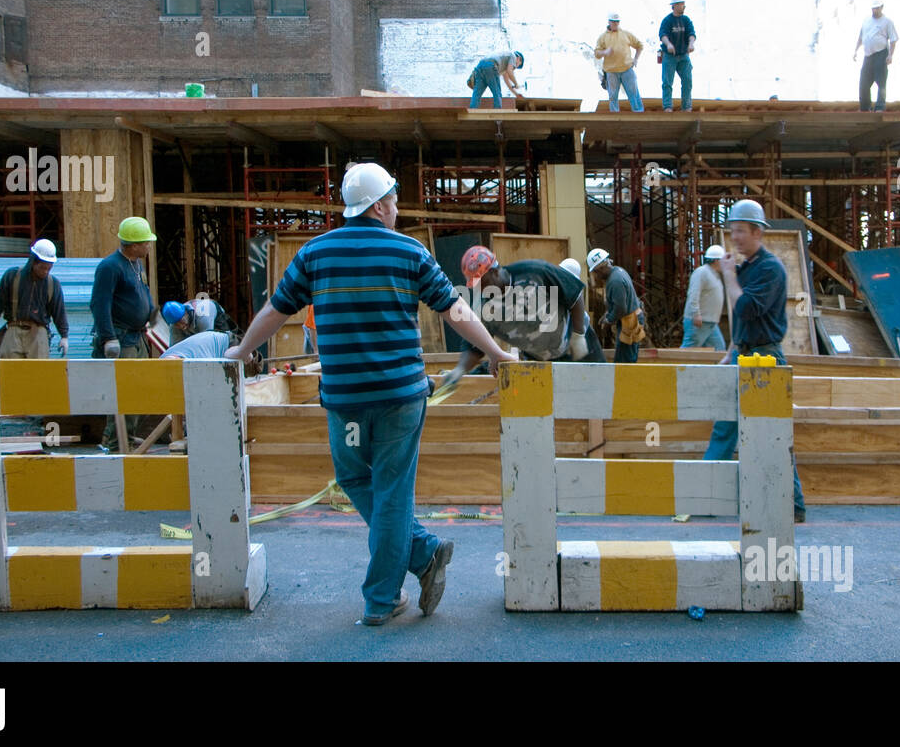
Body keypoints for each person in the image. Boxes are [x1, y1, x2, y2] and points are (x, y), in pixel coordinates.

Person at [225, 163, 517, 625]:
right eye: (395, 201)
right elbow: (455, 310)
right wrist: (497, 353)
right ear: (379, 205)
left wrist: (242, 351)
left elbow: (276, 310)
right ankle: (407, 570)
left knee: (357, 478)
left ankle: (408, 569)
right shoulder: (409, 252)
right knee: (391, 489)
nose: (398, 209)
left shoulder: (314, 254)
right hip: (401, 397)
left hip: (346, 402)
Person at [703, 199, 806, 523]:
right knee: (726, 425)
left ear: (758, 232)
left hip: (765, 359)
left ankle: (794, 504)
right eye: (732, 231)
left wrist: (730, 276)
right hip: (744, 353)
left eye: (740, 232)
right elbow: (741, 320)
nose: (734, 238)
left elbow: (745, 308)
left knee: (770, 432)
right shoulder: (747, 267)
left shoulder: (770, 269)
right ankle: (705, 493)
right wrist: (731, 349)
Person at [445, 247, 603, 383]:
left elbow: (574, 293)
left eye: (482, 282)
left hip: (578, 345)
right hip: (541, 361)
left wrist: (578, 336)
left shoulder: (534, 272)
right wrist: (460, 370)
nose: (480, 289)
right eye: (475, 285)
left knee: (598, 393)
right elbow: (474, 346)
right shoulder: (485, 308)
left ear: (494, 272)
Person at [90, 216, 157, 452]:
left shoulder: (136, 264)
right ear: (133, 244)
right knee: (124, 392)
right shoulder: (110, 267)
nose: (149, 246)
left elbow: (141, 292)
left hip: (137, 337)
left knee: (138, 391)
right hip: (122, 338)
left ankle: (126, 436)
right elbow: (100, 303)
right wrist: (108, 337)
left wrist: (149, 313)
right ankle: (115, 442)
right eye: (145, 242)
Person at [0, 239, 70, 359]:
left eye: (48, 268)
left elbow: (59, 312)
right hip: (13, 329)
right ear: (33, 262)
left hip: (39, 333)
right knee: (9, 371)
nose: (45, 271)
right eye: (42, 267)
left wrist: (64, 336)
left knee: (38, 373)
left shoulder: (52, 284)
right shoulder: (12, 276)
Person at [588, 247, 645, 362]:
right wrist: (607, 313)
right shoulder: (618, 271)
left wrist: (609, 320)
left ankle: (626, 379)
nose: (597, 276)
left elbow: (620, 308)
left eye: (597, 272)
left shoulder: (615, 281)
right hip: (630, 318)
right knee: (627, 356)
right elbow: (617, 303)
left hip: (630, 322)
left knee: (624, 361)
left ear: (602, 268)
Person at [854, 0, 898, 112]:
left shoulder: (887, 22)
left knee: (881, 82)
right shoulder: (866, 21)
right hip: (868, 55)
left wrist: (890, 55)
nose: (875, 10)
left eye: (877, 8)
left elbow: (893, 40)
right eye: (873, 8)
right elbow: (861, 37)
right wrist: (855, 50)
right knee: (864, 82)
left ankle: (880, 106)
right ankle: (865, 106)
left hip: (881, 54)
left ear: (881, 8)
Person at [596, 12, 644, 113]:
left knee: (634, 93)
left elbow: (639, 45)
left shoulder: (626, 34)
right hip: (611, 71)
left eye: (617, 22)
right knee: (613, 96)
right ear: (609, 22)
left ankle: (639, 113)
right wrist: (605, 52)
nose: (615, 24)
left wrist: (635, 59)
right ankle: (614, 117)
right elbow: (597, 53)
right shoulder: (603, 37)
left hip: (627, 69)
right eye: (613, 22)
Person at [683, 244, 726, 350]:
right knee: (689, 351)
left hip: (710, 322)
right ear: (716, 260)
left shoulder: (715, 274)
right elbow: (693, 294)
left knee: (719, 350)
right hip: (700, 322)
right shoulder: (702, 272)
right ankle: (674, 366)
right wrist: (696, 314)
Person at [659, 0, 696, 112]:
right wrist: (668, 44)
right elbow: (663, 35)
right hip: (669, 56)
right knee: (667, 82)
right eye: (681, 4)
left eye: (683, 4)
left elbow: (691, 33)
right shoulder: (667, 20)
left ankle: (686, 106)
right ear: (674, 6)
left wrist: (691, 43)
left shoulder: (686, 20)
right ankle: (668, 106)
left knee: (687, 80)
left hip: (683, 54)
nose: (683, 6)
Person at [162, 295, 232, 345]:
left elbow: (206, 344)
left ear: (186, 312)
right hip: (195, 327)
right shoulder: (173, 324)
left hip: (216, 320)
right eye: (176, 324)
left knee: (225, 343)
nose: (181, 326)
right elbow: (175, 347)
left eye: (181, 321)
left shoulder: (203, 316)